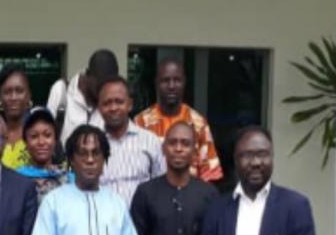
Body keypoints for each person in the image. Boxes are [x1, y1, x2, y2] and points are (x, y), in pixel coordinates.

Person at [134, 58, 224, 183]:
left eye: (177, 80)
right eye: (165, 80)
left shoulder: (198, 123)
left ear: (184, 82)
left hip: (191, 198)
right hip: (151, 198)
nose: (171, 86)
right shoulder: (141, 122)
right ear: (156, 83)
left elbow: (210, 174)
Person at [96, 76, 164, 206]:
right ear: (99, 107)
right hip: (102, 222)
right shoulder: (92, 144)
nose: (113, 108)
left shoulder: (150, 141)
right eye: (107, 103)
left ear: (130, 105)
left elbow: (161, 187)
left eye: (119, 102)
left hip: (141, 223)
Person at [46, 49, 118, 145]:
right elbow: (45, 134)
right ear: (88, 74)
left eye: (108, 86)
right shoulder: (61, 91)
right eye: (100, 85)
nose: (104, 91)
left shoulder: (110, 105)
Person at [16, 106, 70, 198]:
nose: (41, 142)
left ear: (55, 139)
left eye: (47, 135)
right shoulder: (16, 179)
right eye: (34, 136)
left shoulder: (69, 180)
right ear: (25, 142)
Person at [0, 62, 34, 169]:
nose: (13, 97)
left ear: (28, 95)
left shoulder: (39, 135)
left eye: (19, 91)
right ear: (0, 97)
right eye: (7, 92)